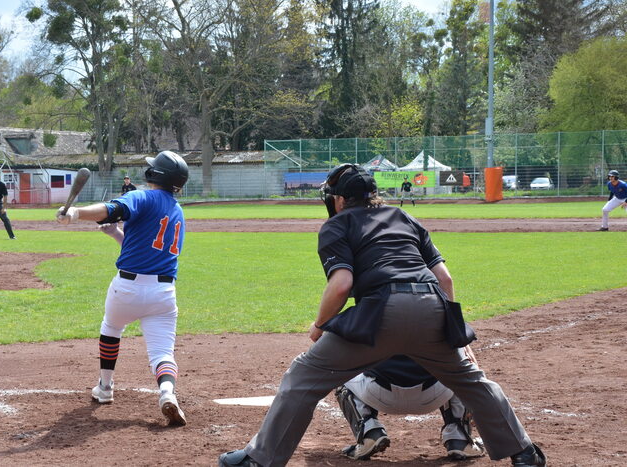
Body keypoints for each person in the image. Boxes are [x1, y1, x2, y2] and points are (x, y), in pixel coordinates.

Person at [219, 163, 545, 467]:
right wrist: (453, 331)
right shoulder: (404, 217)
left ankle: (259, 459)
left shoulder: (337, 224)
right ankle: (524, 451)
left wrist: (319, 325)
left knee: (302, 378)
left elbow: (342, 283)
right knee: (471, 381)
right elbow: (445, 279)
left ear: (341, 200)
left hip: (383, 309)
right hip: (432, 305)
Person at [56, 151, 189, 426]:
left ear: (155, 175)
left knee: (111, 328)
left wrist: (75, 213)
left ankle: (105, 388)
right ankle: (167, 392)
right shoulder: (177, 211)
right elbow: (147, 248)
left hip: (127, 289)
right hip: (163, 294)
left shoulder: (143, 196)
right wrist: (116, 234)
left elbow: (111, 209)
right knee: (162, 352)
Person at [335, 355, 485, 461]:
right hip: (432, 394)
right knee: (461, 368)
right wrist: (475, 404)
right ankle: (458, 437)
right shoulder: (438, 312)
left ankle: (369, 432)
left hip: (380, 394)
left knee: (340, 369)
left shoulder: (372, 313)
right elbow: (463, 353)